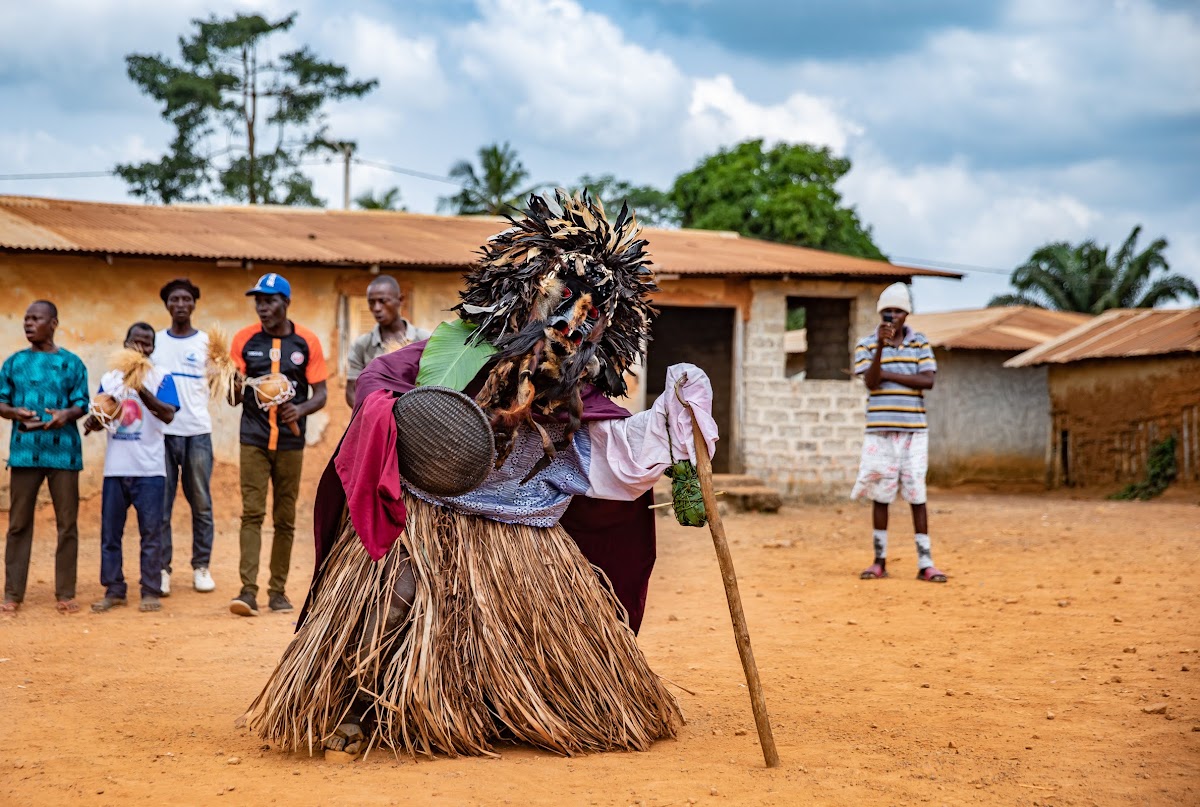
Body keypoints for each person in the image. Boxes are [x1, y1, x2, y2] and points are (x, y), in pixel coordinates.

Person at [244, 191, 718, 760]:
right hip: (426, 516)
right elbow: (375, 382)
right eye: (563, 301)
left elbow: (617, 450)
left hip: (523, 533)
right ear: (524, 294)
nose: (573, 321)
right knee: (395, 601)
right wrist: (403, 420)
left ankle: (510, 710)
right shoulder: (456, 351)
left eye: (591, 315)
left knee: (537, 629)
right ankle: (356, 708)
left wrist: (675, 411)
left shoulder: (576, 391)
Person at [229, 273, 328, 617]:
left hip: (290, 441)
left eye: (269, 300)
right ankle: (247, 591)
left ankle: (278, 592)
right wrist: (226, 382)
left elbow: (321, 395)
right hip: (253, 440)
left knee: (284, 518)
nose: (262, 307)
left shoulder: (307, 342)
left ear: (285, 303)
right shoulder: (243, 340)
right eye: (258, 300)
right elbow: (232, 398)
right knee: (252, 514)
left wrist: (298, 409)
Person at [851, 282, 947, 583]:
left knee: (917, 494)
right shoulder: (867, 344)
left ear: (907, 314)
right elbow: (870, 382)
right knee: (881, 495)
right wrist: (882, 347)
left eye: (898, 311)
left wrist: (888, 376)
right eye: (887, 312)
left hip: (914, 432)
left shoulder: (920, 342)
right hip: (880, 432)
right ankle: (879, 561)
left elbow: (927, 381)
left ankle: (926, 562)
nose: (892, 316)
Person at [0, 301, 89, 615]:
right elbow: (1, 401)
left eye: (35, 318)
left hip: (64, 454)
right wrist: (14, 412)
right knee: (18, 525)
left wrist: (67, 414)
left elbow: (83, 403)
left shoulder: (72, 363)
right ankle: (12, 594)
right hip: (24, 453)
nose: (28, 323)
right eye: (26, 318)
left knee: (67, 525)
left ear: (53, 323)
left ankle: (65, 593)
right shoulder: (13, 363)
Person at [86, 323, 180, 613]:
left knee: (151, 532)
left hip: (150, 470)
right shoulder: (110, 378)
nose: (141, 348)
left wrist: (140, 388)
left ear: (153, 348)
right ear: (124, 344)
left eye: (147, 343)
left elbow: (168, 415)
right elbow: (103, 412)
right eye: (135, 343)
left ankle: (150, 590)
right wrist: (93, 423)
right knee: (110, 533)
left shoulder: (161, 377)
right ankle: (114, 589)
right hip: (116, 468)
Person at [151, 278, 216, 595]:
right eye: (174, 299)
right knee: (161, 506)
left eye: (186, 299)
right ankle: (162, 569)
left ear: (194, 304)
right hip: (162, 435)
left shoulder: (206, 342)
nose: (180, 304)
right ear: (167, 304)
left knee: (201, 503)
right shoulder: (155, 342)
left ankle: (201, 567)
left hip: (198, 432)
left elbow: (221, 385)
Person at [344, 275, 431, 407]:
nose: (377, 308)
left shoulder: (424, 340)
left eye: (383, 301)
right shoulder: (362, 345)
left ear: (400, 300)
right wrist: (369, 415)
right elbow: (352, 390)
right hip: (378, 420)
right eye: (371, 302)